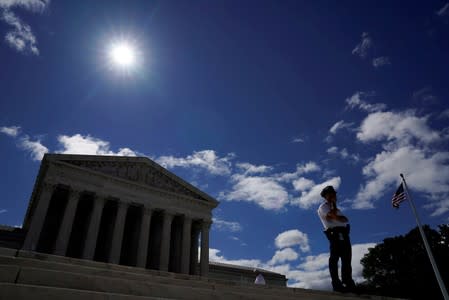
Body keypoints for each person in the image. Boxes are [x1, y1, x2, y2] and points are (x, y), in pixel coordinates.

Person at [317, 185, 355, 293]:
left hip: (344, 233)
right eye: (331, 194)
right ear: (325, 196)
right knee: (334, 258)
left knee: (346, 259)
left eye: (334, 193)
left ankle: (348, 282)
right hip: (335, 233)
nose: (334, 195)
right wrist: (335, 214)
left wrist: (336, 216)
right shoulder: (323, 207)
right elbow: (333, 215)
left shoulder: (337, 209)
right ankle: (336, 284)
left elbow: (345, 219)